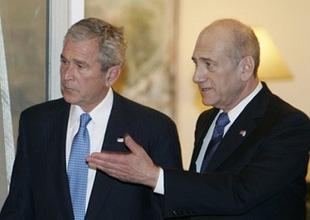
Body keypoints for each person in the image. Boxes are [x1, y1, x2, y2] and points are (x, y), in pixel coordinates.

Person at [86, 18, 310, 219]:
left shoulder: (288, 125)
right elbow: (199, 196)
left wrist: (155, 176)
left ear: (245, 68)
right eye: (196, 63)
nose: (197, 76)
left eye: (209, 64)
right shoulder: (207, 121)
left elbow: (239, 194)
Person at [0, 17, 182, 220]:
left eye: (80, 66)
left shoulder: (153, 130)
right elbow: (18, 208)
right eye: (64, 61)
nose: (67, 75)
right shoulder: (36, 123)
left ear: (111, 75)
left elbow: (169, 212)